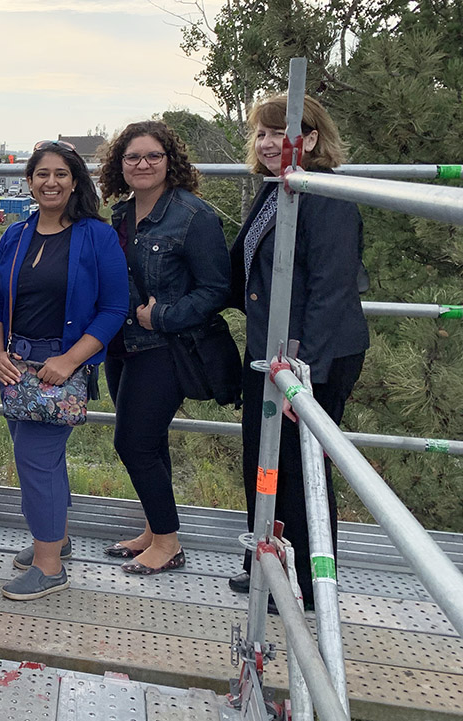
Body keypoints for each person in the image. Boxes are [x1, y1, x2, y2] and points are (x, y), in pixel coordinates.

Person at [228, 95, 368, 610]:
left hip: (312, 357)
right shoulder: (275, 189)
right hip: (269, 352)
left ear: (310, 139)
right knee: (263, 463)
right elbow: (247, 273)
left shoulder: (326, 196)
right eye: (260, 134)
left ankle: (303, 581)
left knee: (300, 467)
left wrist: (302, 377)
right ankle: (266, 562)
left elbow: (332, 293)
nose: (267, 143)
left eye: (278, 133)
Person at [0, 140, 128, 599]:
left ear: (75, 181)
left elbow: (114, 307)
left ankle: (48, 566)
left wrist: (69, 360)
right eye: (42, 174)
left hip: (60, 368)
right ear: (29, 182)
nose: (51, 182)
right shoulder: (14, 235)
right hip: (15, 368)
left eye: (61, 174)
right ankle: (56, 541)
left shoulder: (96, 236)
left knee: (36, 462)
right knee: (42, 459)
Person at [95, 121, 230, 574]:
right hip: (123, 344)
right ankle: (155, 530)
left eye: (153, 156)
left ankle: (168, 543)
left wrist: (164, 315)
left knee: (132, 442)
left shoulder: (194, 216)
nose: (143, 164)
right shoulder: (121, 214)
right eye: (132, 157)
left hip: (166, 345)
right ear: (120, 164)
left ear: (170, 161)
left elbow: (216, 289)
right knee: (150, 443)